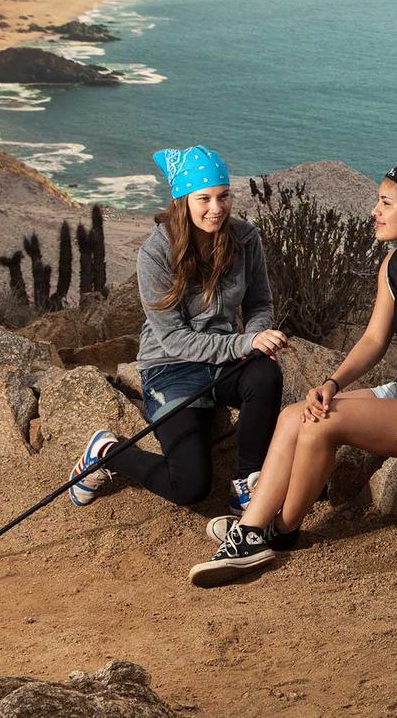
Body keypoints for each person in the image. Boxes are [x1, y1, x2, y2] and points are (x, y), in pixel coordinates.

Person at [188, 159, 397, 586]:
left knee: (325, 426)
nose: (374, 212)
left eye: (385, 203)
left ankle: (274, 534)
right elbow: (372, 340)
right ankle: (255, 525)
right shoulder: (394, 264)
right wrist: (331, 382)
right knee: (296, 415)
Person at [68, 145, 287, 516]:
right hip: (171, 368)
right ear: (182, 200)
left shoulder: (246, 239)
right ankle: (108, 452)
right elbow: (172, 338)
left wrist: (258, 336)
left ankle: (247, 483)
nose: (216, 208)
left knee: (265, 373)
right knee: (189, 487)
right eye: (204, 198)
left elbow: (259, 304)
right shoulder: (155, 253)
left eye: (223, 196)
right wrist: (245, 341)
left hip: (222, 361)